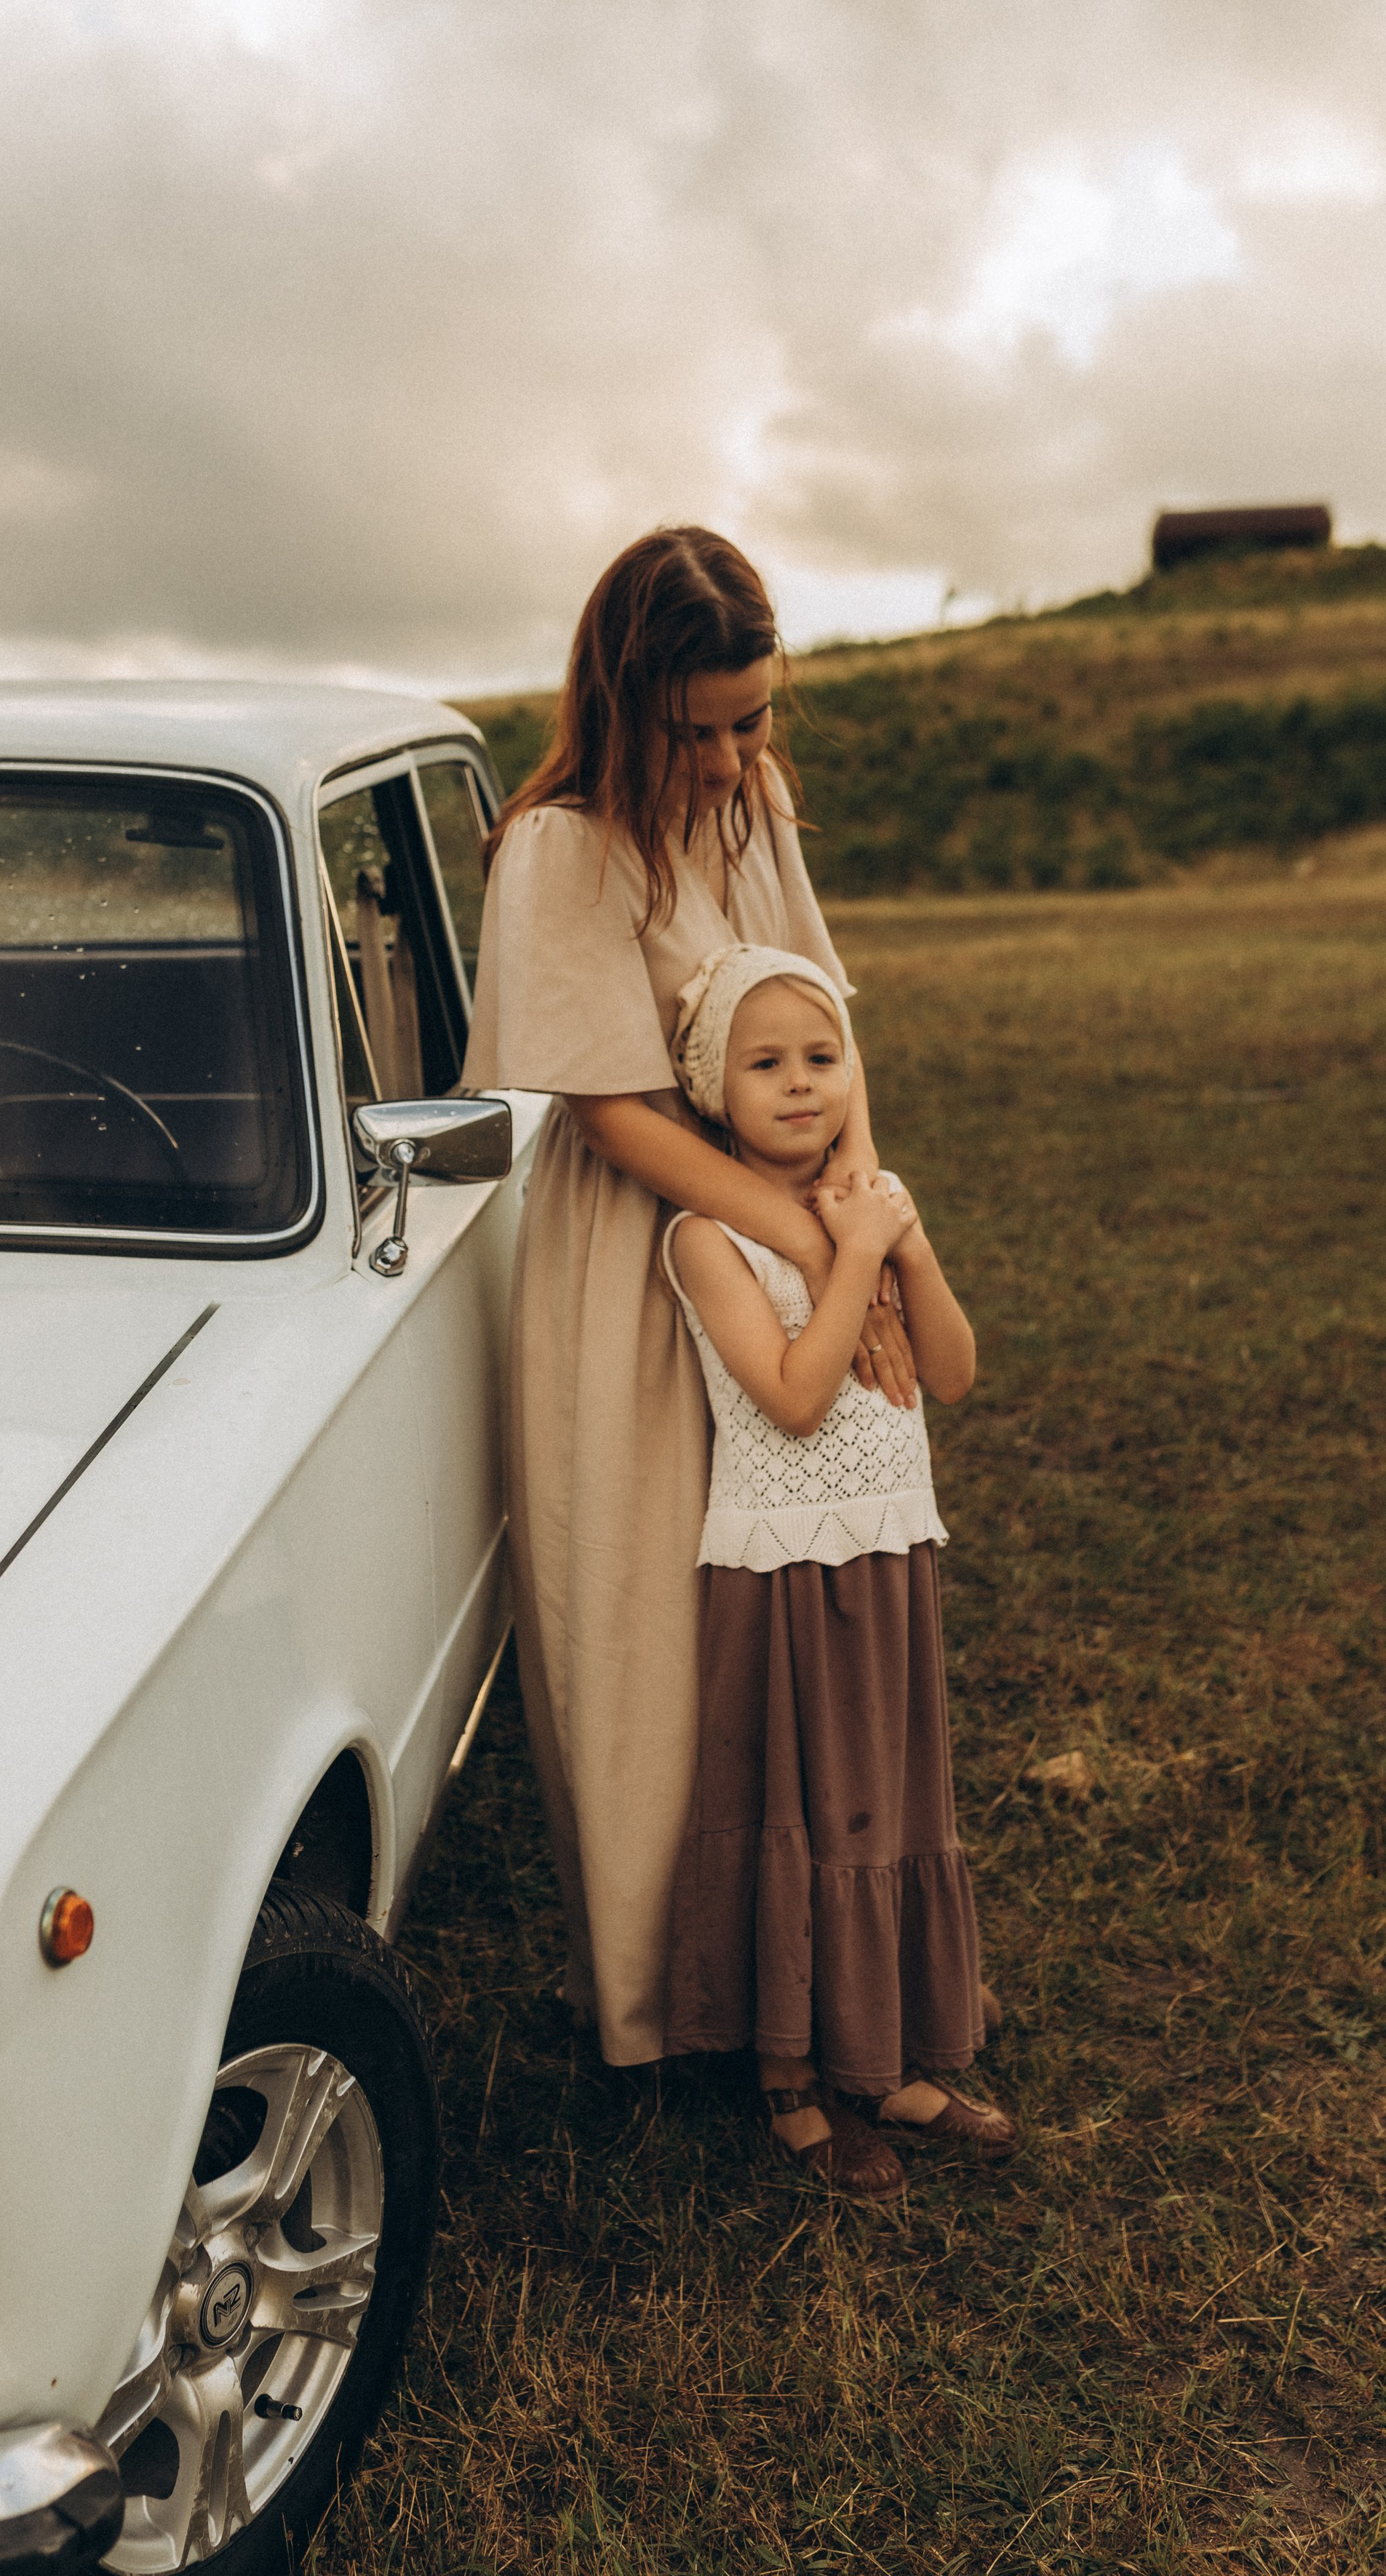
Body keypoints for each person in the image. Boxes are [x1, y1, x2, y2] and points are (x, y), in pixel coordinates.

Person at [460, 525, 913, 2067]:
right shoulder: (561, 846)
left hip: (790, 1233)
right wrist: (804, 1242)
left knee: (797, 1601)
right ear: (625, 698)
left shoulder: (754, 804)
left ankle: (796, 1966)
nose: (730, 758)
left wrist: (870, 1235)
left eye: (754, 718)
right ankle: (665, 2002)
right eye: (699, 727)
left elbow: (823, 1024)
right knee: (651, 1620)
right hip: (634, 1256)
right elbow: (613, 1113)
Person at [661, 944, 1013, 2198]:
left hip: (892, 1546)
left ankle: (892, 2061)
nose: (800, 1086)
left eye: (821, 1059)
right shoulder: (706, 1238)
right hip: (786, 1568)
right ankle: (790, 2075)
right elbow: (798, 1397)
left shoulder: (876, 1205)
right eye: (765, 1065)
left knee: (896, 1802)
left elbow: (956, 1372)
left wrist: (902, 1246)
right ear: (714, 1094)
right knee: (803, 1811)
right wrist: (851, 1251)